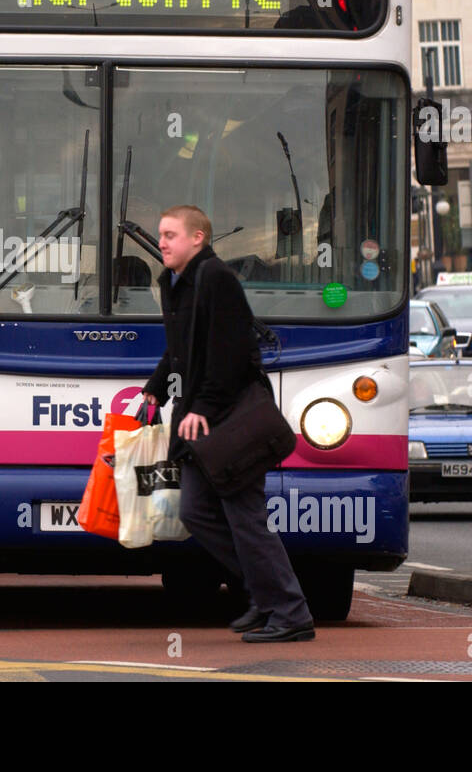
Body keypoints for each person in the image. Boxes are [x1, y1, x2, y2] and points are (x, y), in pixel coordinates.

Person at [142, 204, 315, 643]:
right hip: (202, 422)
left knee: (247, 519)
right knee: (196, 511)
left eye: (170, 234)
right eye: (160, 235)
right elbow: (180, 351)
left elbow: (233, 352)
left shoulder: (216, 278)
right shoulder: (175, 283)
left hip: (229, 423)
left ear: (197, 238)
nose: (161, 242)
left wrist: (202, 406)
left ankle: (290, 612)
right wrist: (156, 389)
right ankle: (263, 593)